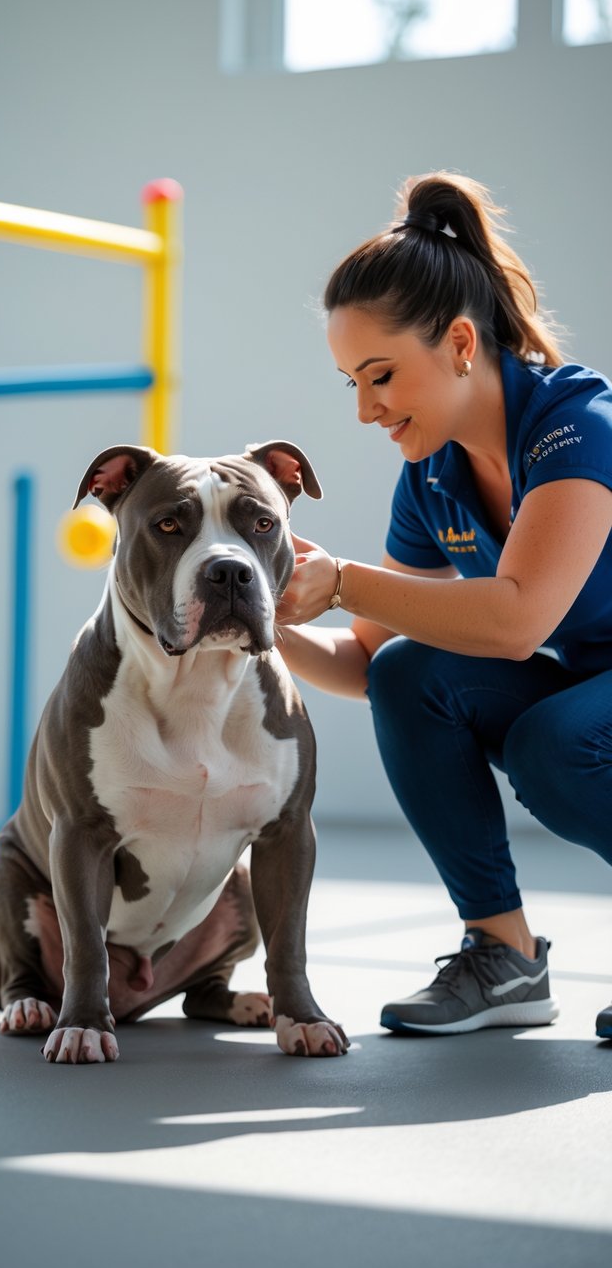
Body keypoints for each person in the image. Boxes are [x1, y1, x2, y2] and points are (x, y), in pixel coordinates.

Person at [275, 171, 612, 1040]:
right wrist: (262, 627)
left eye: (380, 375)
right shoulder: (428, 478)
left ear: (461, 342)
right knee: (409, 674)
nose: (363, 409)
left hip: (583, 709)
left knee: (556, 741)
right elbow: (363, 663)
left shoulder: (581, 425)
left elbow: (517, 620)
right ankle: (503, 954)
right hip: (592, 687)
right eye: (350, 381)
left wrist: (343, 577)